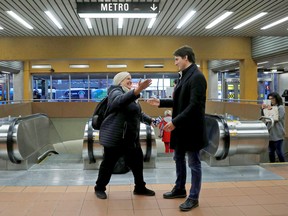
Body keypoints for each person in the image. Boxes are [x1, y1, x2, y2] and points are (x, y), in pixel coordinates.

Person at [147, 45, 208, 212]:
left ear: (186, 57)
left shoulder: (197, 77)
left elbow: (195, 106)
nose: (175, 63)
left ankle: (193, 197)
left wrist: (175, 122)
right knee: (178, 157)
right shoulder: (184, 76)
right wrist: (161, 102)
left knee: (194, 163)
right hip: (182, 127)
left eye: (176, 59)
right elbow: (181, 101)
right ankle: (180, 189)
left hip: (191, 128)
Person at [94, 71, 155, 199]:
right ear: (119, 81)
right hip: (116, 137)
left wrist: (150, 120)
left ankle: (140, 187)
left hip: (130, 138)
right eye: (127, 78)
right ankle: (99, 188)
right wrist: (137, 90)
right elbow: (120, 102)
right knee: (108, 164)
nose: (130, 80)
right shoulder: (115, 92)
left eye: (131, 78)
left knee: (137, 163)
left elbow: (137, 112)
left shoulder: (129, 94)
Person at [261, 92, 286, 162]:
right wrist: (263, 109)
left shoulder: (280, 107)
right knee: (270, 152)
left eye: (272, 99)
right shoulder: (269, 107)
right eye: (269, 99)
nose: (271, 100)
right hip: (270, 131)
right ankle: (272, 164)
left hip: (278, 132)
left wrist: (271, 109)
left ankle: (283, 165)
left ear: (276, 99)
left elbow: (277, 118)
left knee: (279, 151)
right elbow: (265, 118)